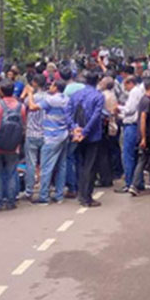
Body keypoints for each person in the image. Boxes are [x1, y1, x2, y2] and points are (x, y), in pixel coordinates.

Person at [65, 71, 105, 207]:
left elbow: (68, 112)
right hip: (92, 135)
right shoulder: (98, 96)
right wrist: (86, 131)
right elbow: (96, 116)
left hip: (77, 135)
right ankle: (86, 196)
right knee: (90, 165)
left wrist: (75, 128)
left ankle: (81, 193)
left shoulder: (76, 95)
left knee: (80, 164)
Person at [0, 81, 25, 211]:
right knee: (11, 172)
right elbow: (23, 123)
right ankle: (11, 201)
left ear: (1, 91)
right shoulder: (21, 107)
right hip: (13, 144)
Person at [37, 79, 70, 203]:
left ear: (56, 87)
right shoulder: (66, 99)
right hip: (63, 133)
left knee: (46, 167)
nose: (49, 87)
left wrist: (29, 94)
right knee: (61, 166)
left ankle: (44, 196)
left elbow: (33, 107)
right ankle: (59, 194)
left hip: (51, 135)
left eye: (51, 85)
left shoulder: (51, 100)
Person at [128, 78, 150, 196]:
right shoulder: (146, 101)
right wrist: (144, 137)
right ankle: (146, 182)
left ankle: (137, 184)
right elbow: (143, 118)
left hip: (145, 134)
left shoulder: (144, 100)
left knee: (144, 159)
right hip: (147, 135)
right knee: (147, 158)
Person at [116, 75, 143, 193]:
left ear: (130, 83)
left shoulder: (134, 92)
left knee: (128, 155)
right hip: (134, 125)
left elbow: (129, 109)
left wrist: (119, 108)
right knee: (135, 156)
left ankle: (129, 182)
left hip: (131, 126)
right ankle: (138, 181)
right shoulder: (139, 92)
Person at [23, 74, 47, 201]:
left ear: (36, 83)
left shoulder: (31, 98)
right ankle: (44, 189)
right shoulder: (49, 98)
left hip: (31, 133)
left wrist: (27, 93)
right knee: (44, 164)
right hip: (45, 134)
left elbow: (24, 104)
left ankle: (29, 191)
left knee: (31, 164)